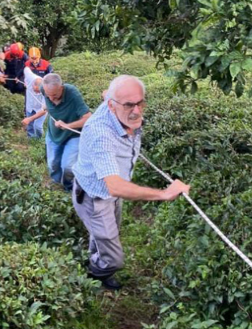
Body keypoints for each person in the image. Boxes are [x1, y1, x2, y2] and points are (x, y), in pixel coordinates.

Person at [72, 75, 190, 290]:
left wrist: (117, 98)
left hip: (113, 194)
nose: (136, 111)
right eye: (128, 105)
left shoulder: (114, 104)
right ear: (112, 105)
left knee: (106, 235)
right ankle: (95, 274)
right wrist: (164, 193)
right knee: (115, 257)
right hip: (95, 196)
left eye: (140, 103)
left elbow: (107, 95)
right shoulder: (101, 134)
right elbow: (114, 186)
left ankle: (97, 260)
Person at [23, 73, 91, 191]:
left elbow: (88, 118)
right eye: (48, 95)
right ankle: (56, 183)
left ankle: (68, 187)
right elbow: (38, 82)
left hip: (73, 135)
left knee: (68, 167)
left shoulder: (72, 94)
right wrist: (44, 103)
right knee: (53, 164)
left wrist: (68, 125)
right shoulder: (44, 89)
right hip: (54, 134)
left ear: (61, 87)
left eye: (54, 95)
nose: (51, 99)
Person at [21, 67, 46, 138]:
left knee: (37, 126)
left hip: (40, 108)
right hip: (30, 105)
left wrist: (29, 119)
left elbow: (44, 110)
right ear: (33, 84)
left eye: (39, 91)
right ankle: (31, 139)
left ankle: (39, 140)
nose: (37, 92)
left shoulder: (47, 90)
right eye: (35, 90)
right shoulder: (30, 77)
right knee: (30, 126)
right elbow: (26, 68)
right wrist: (25, 81)